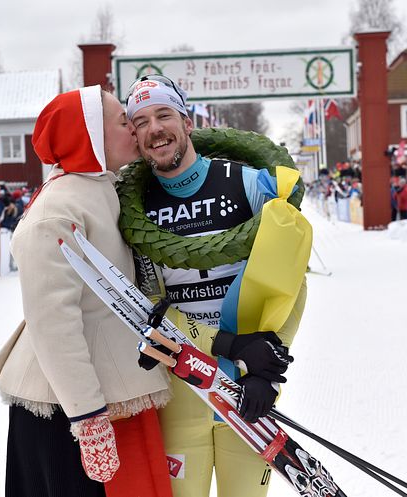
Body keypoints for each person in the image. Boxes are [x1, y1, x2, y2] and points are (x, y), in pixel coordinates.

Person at [0, 86, 173, 497]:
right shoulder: (58, 209)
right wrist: (88, 417)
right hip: (68, 411)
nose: (134, 131)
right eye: (124, 122)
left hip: (107, 395)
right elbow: (54, 323)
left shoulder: (101, 188)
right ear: (90, 135)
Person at [125, 76, 305, 497]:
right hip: (182, 389)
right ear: (134, 137)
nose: (155, 129)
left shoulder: (246, 183)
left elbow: (292, 281)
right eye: (141, 121)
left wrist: (269, 372)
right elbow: (145, 303)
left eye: (164, 114)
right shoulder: (135, 209)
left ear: (186, 121)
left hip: (248, 385)